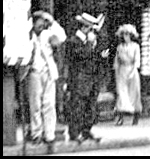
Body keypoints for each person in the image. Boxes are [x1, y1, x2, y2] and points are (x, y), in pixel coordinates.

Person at [63, 12, 108, 144]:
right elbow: (80, 56)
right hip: (79, 79)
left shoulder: (90, 42)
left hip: (92, 78)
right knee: (78, 107)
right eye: (90, 29)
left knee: (90, 106)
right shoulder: (73, 41)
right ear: (84, 28)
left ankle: (86, 131)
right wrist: (90, 44)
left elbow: (95, 57)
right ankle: (74, 133)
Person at [23, 9, 63, 152]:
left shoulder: (48, 34)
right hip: (34, 72)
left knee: (49, 104)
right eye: (38, 23)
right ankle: (36, 133)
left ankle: (50, 135)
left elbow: (61, 37)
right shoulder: (28, 36)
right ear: (33, 24)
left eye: (43, 23)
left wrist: (52, 21)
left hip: (49, 72)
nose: (41, 26)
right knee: (35, 104)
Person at [112, 24, 142, 125]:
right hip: (122, 71)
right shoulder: (120, 47)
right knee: (121, 93)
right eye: (124, 34)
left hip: (132, 70)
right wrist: (116, 70)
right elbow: (116, 60)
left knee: (134, 92)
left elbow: (137, 60)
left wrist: (134, 70)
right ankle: (120, 117)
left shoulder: (135, 46)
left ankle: (136, 115)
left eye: (128, 34)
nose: (126, 36)